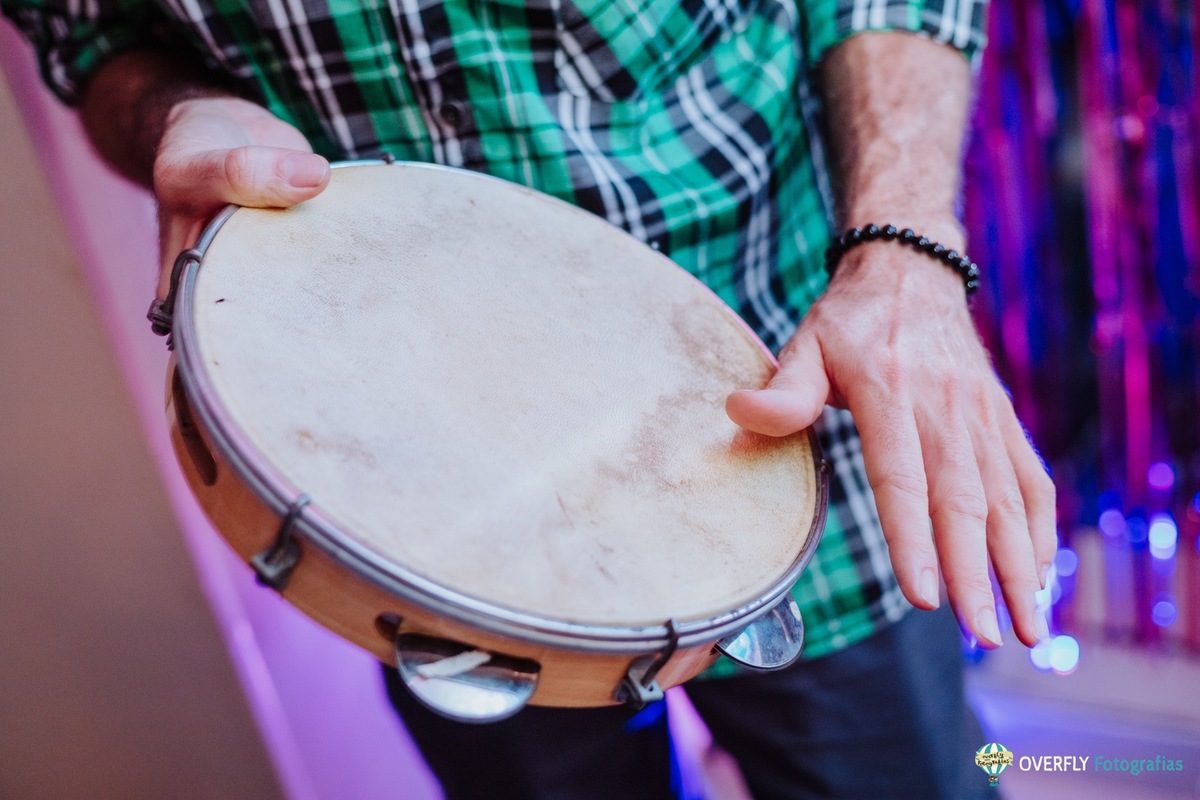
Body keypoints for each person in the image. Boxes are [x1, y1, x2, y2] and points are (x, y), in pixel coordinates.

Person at [2, 0, 1055, 797]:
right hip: (431, 518)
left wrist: (904, 243)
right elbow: (91, 33)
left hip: (791, 417)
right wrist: (182, 110)